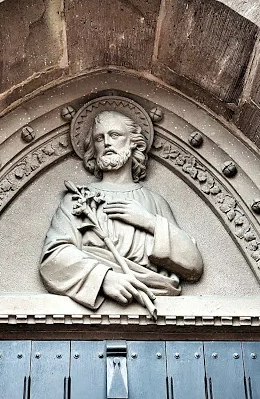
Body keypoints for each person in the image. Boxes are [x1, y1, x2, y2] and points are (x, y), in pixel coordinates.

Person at [39, 110, 203, 310]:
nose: (107, 143)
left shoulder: (154, 202)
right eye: (99, 138)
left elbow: (193, 265)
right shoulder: (77, 199)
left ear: (133, 142)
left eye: (114, 135)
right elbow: (54, 257)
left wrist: (149, 222)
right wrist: (103, 277)